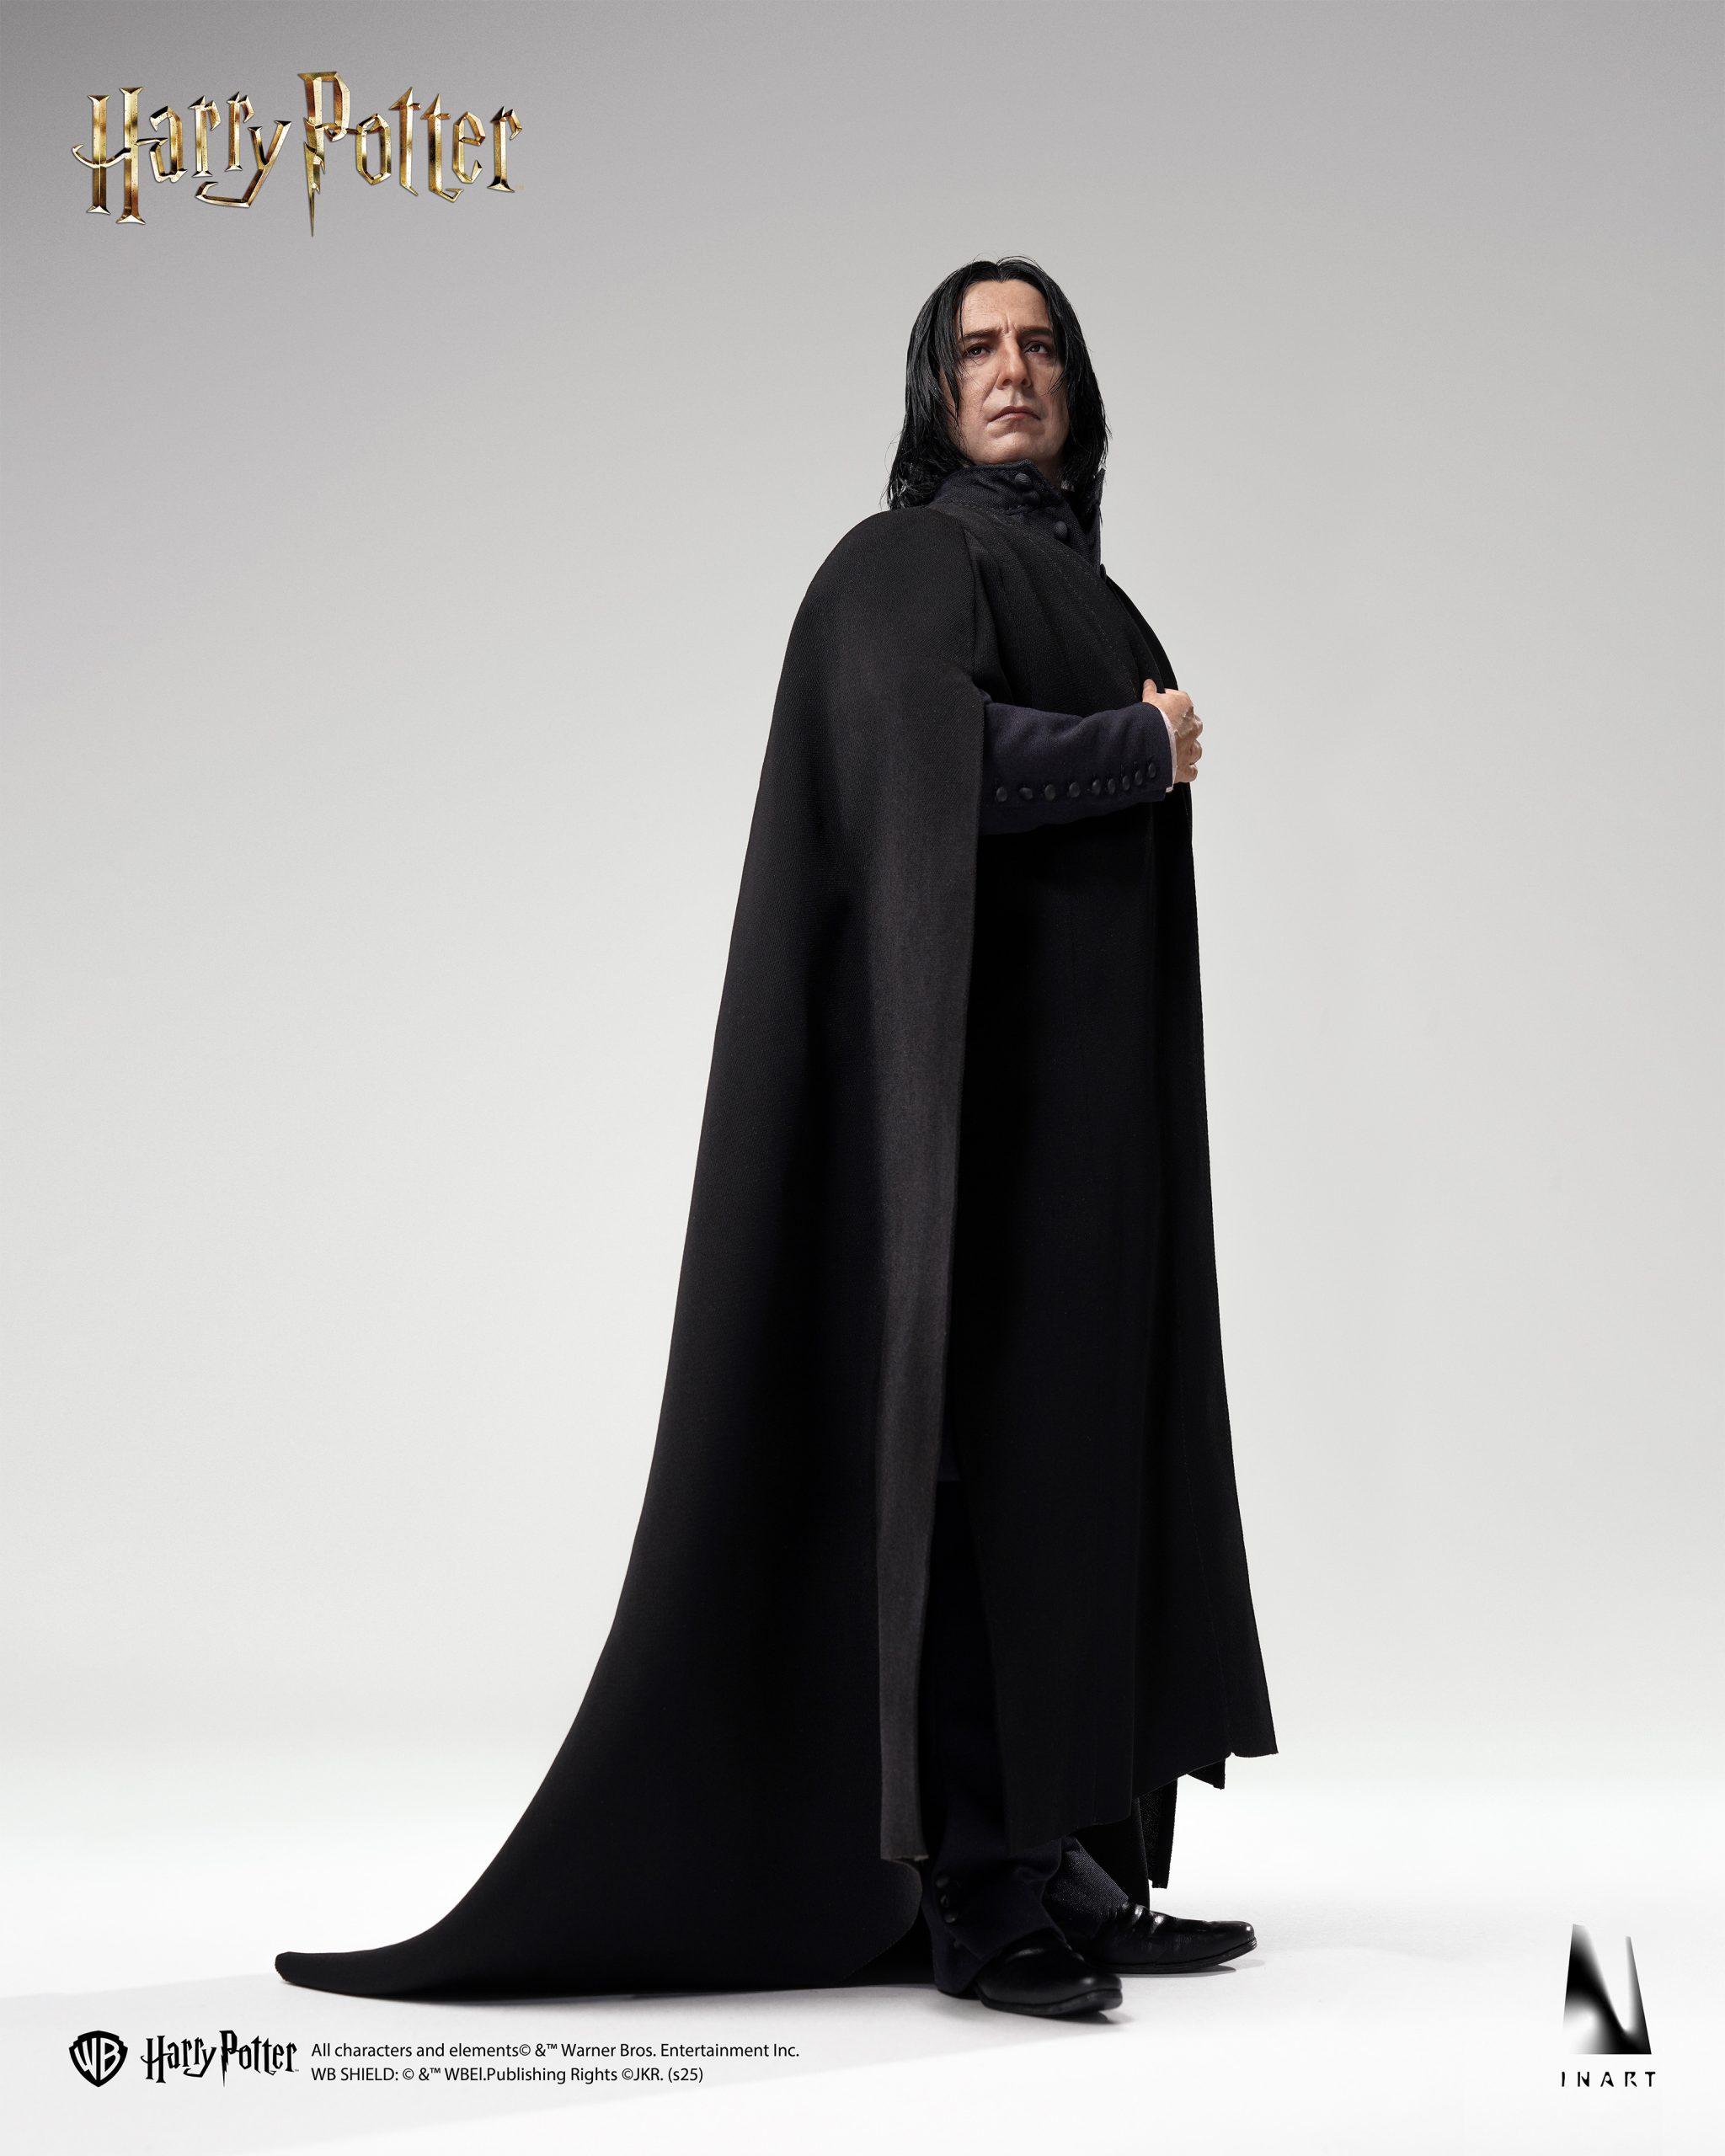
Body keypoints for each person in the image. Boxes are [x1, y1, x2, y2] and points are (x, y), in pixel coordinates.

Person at [275, 256, 1276, 2020]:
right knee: (975, 1481)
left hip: (1089, 1147)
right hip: (967, 1142)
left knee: (1083, 1470)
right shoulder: (904, 562)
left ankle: (1068, 1857)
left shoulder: (1097, 593)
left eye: (1041, 346)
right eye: (978, 349)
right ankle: (976, 1893)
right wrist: (1135, 747)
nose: (1013, 371)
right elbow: (925, 768)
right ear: (933, 391)